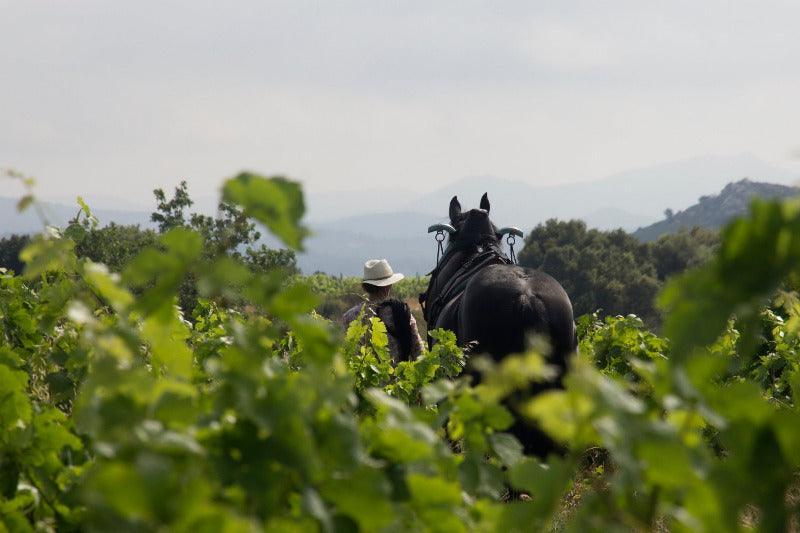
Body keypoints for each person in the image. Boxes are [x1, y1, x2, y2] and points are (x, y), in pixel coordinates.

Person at [342, 259, 425, 362]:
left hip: (360, 371)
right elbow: (418, 350)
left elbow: (346, 353)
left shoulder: (349, 317)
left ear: (367, 287)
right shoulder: (401, 311)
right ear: (387, 286)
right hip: (399, 372)